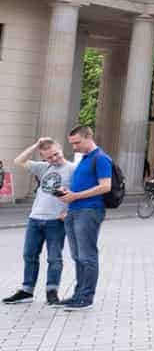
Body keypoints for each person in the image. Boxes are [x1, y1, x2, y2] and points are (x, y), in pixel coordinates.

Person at [3, 138, 73, 305]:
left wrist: (68, 211)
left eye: (56, 154)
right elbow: (18, 160)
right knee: (29, 255)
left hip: (55, 221)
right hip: (35, 218)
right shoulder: (43, 168)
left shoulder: (73, 169)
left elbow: (80, 193)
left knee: (54, 258)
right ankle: (27, 290)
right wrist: (36, 144)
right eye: (49, 157)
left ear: (61, 149)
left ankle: (52, 291)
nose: (54, 159)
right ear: (43, 158)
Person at [55, 125, 112, 311]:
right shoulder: (85, 159)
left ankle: (86, 298)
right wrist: (67, 199)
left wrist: (75, 197)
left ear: (89, 137)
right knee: (78, 256)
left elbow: (105, 186)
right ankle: (78, 294)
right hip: (74, 210)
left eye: (77, 142)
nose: (74, 147)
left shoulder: (101, 158)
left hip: (89, 211)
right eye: (72, 143)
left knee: (87, 256)